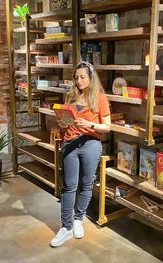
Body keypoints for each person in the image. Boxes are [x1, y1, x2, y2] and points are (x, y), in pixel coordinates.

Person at [50, 61, 111, 247]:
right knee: (69, 186)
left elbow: (107, 127)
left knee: (86, 183)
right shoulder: (70, 96)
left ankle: (78, 218)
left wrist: (90, 125)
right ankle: (66, 227)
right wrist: (62, 123)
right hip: (70, 143)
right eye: (76, 77)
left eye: (82, 77)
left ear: (91, 78)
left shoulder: (100, 98)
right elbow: (66, 120)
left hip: (90, 143)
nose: (79, 81)